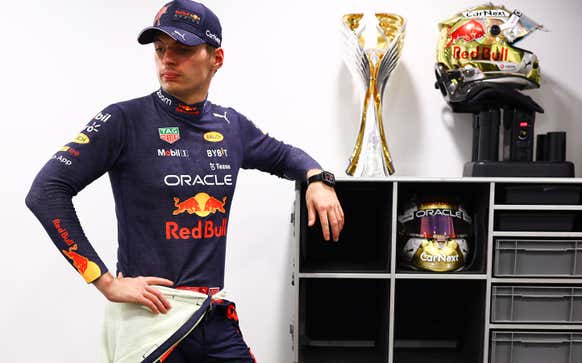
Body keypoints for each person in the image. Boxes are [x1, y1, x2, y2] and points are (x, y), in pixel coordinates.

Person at [25, 0, 344, 361]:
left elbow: (286, 156)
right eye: (160, 50)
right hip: (149, 317)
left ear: (216, 58)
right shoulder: (123, 120)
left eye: (183, 49)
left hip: (208, 313)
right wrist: (105, 281)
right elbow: (45, 192)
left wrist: (319, 179)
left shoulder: (231, 126)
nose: (167, 60)